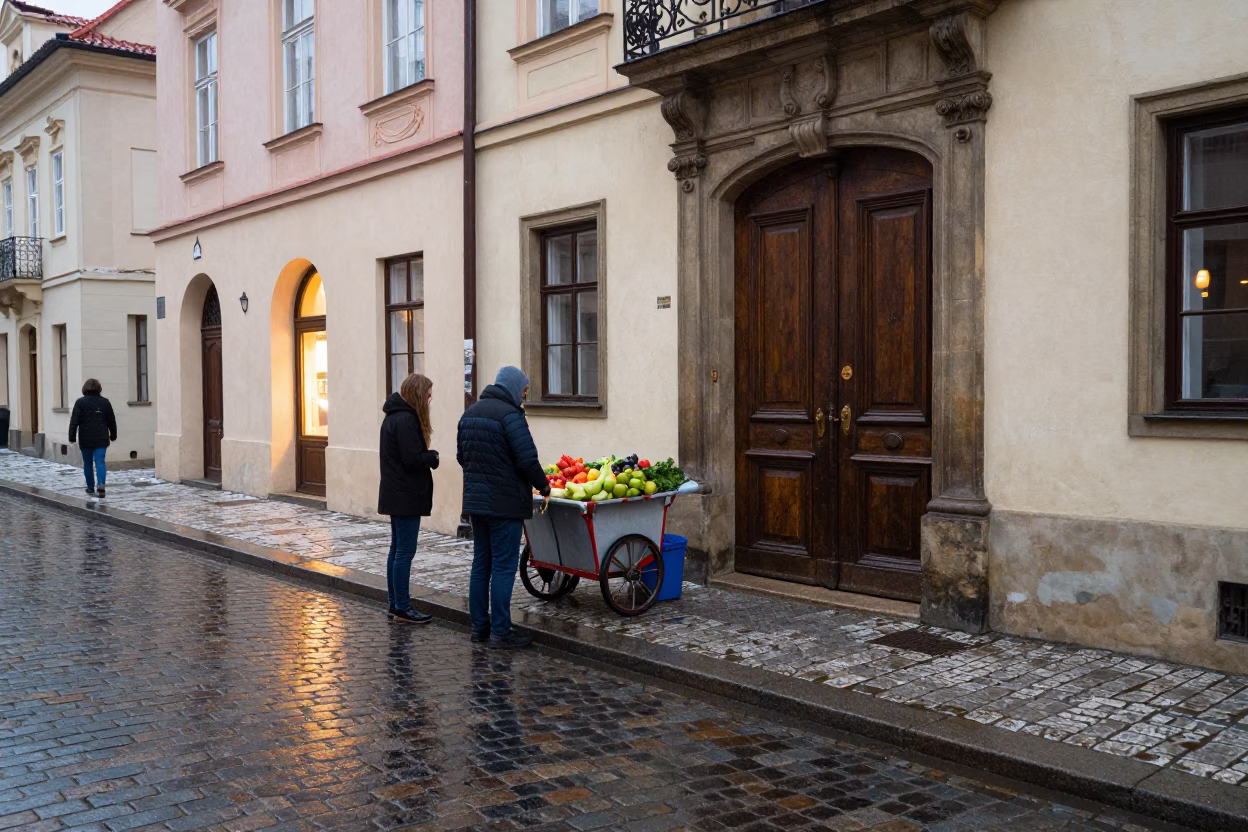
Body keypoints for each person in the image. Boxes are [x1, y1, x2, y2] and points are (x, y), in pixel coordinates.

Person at [457, 366, 550, 649]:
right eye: (523, 391)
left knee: (481, 564)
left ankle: (479, 628)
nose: (524, 396)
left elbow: (462, 457)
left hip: (477, 503)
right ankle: (500, 631)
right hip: (505, 504)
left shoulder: (470, 413)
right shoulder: (511, 416)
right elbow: (527, 460)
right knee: (503, 567)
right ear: (512, 387)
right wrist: (544, 486)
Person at [378, 373, 439, 625]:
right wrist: (432, 457)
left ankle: (395, 603)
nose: (429, 400)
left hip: (397, 493)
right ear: (418, 394)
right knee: (404, 551)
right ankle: (402, 607)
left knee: (397, 550)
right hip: (406, 495)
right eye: (427, 395)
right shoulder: (405, 420)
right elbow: (412, 459)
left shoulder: (394, 417)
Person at [68, 379, 117, 499]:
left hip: (85, 437)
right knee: (100, 461)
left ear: (85, 388)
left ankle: (90, 487)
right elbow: (111, 420)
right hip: (101, 437)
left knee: (88, 463)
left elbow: (74, 421)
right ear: (99, 388)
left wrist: (72, 437)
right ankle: (101, 485)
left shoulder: (80, 402)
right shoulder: (105, 402)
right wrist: (113, 435)